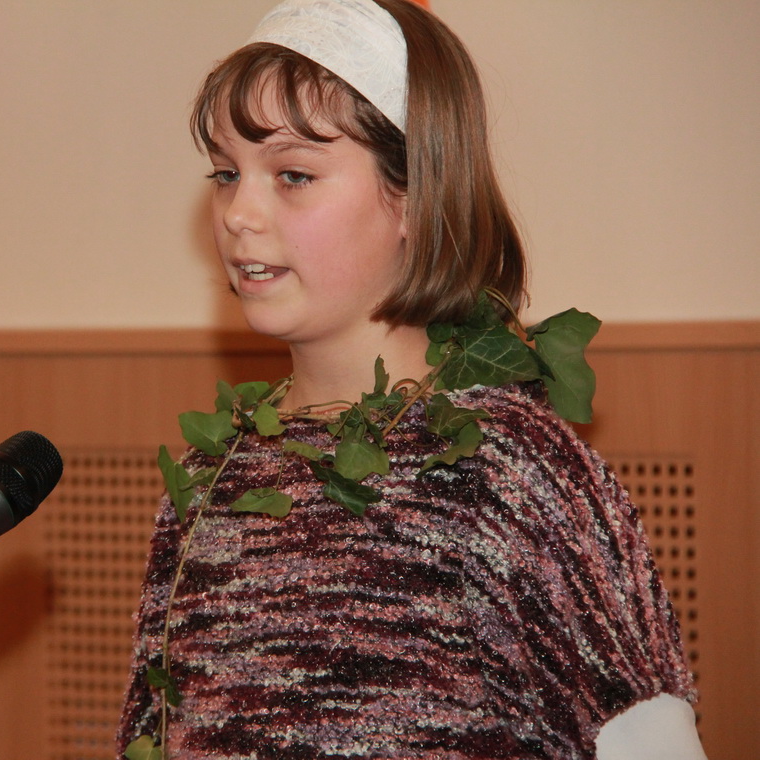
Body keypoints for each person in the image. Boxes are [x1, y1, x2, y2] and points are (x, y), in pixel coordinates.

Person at [117, 1, 705, 757]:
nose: (238, 213)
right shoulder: (216, 473)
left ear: (417, 198)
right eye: (227, 174)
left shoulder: (507, 474)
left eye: (293, 175)